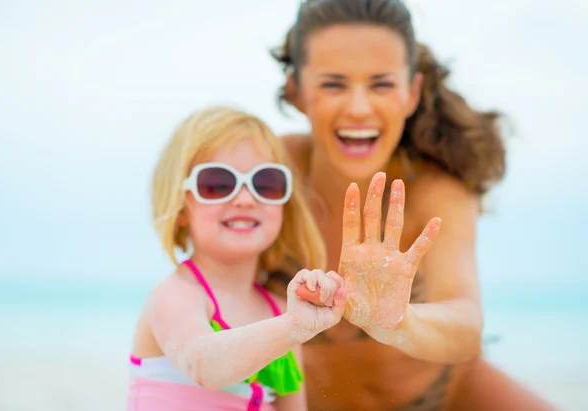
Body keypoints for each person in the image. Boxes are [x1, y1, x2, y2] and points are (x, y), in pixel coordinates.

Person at [267, 0, 556, 409]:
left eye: (381, 84)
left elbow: (465, 323)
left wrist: (400, 321)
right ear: (295, 90)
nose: (359, 108)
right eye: (333, 84)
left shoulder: (435, 192)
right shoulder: (264, 173)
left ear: (411, 93)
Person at [127, 106, 347, 411]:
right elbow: (203, 365)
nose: (245, 198)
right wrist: (292, 327)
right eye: (217, 184)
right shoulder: (176, 296)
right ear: (179, 207)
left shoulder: (280, 312)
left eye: (265, 183)